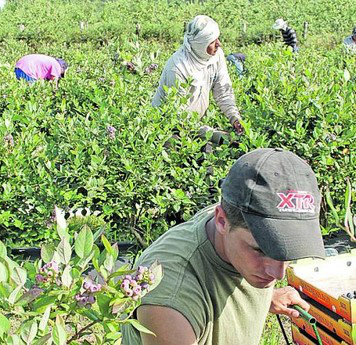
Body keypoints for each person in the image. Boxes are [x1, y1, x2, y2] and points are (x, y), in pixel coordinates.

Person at [121, 148, 325, 345]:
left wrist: (266, 296)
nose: (278, 273)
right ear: (221, 221)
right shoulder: (171, 301)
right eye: (261, 250)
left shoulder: (233, 228)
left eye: (286, 251)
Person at [152, 15, 244, 144]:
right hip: (168, 126)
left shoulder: (216, 55)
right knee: (174, 151)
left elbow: (223, 91)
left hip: (195, 125)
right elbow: (179, 117)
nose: (219, 44)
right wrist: (214, 134)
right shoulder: (178, 68)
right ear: (200, 45)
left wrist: (235, 118)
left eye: (217, 38)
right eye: (212, 41)